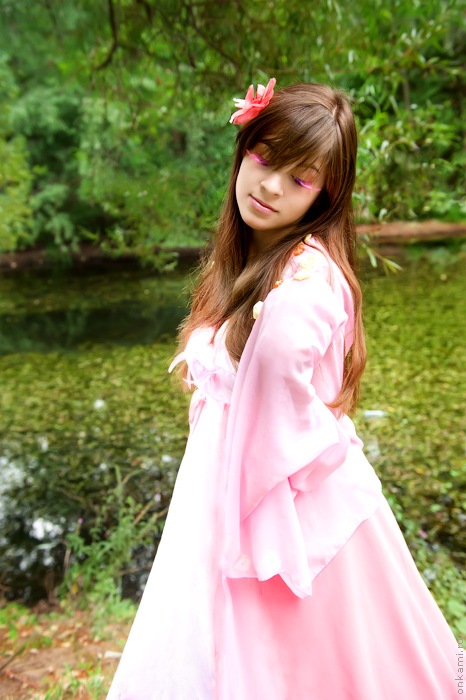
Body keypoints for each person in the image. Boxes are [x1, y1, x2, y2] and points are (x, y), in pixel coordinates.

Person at [107, 80, 459, 699]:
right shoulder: (254, 260)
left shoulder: (305, 279)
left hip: (276, 502)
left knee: (308, 665)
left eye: (300, 179)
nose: (270, 186)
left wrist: (236, 504)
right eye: (265, 158)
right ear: (244, 148)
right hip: (240, 490)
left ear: (326, 194)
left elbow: (280, 372)